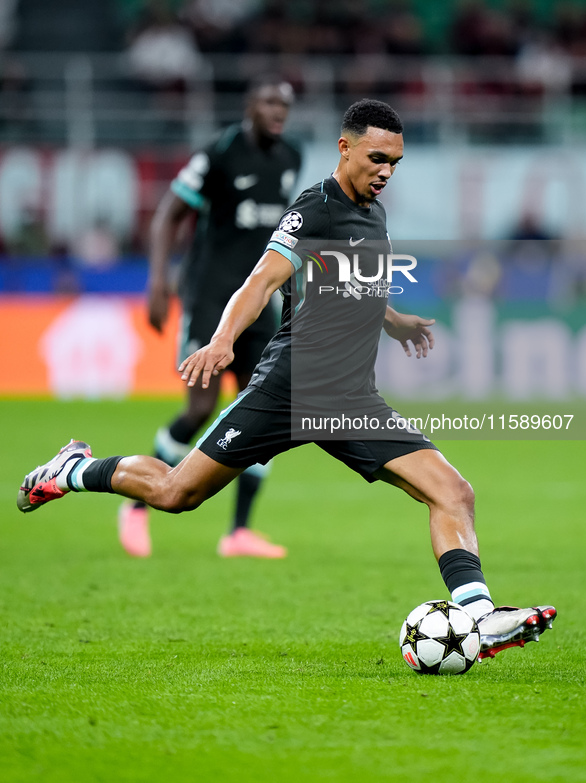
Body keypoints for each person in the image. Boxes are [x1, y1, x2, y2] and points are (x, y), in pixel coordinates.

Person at [18, 99, 556, 660]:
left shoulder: (375, 214)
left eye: (395, 162)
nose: (386, 172)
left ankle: (480, 616)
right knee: (177, 493)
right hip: (288, 390)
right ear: (344, 148)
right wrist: (224, 339)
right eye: (377, 158)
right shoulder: (313, 209)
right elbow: (260, 281)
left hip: (350, 398)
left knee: (453, 491)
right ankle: (74, 469)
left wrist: (393, 322)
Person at [119, 76, 301, 558]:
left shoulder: (291, 157)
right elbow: (167, 216)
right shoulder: (219, 153)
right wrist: (159, 281)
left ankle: (238, 532)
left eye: (284, 103)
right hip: (208, 300)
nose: (277, 109)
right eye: (267, 100)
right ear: (249, 105)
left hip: (259, 304)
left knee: (264, 411)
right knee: (201, 409)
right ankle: (135, 504)